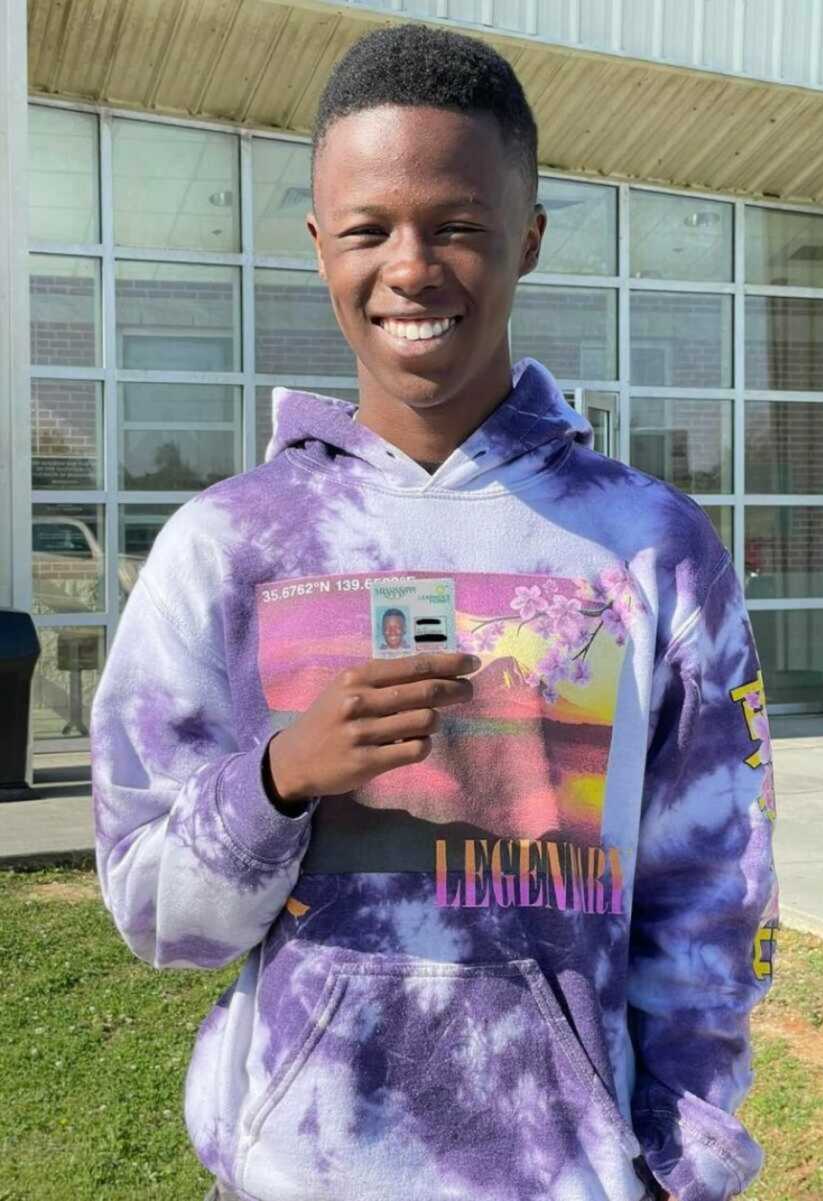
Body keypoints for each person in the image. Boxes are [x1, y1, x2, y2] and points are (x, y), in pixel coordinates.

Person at [90, 21, 778, 1201]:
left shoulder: (647, 546)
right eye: (368, 228)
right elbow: (160, 918)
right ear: (319, 247)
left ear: (529, 238)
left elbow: (715, 896)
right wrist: (278, 779)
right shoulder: (228, 545)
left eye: (456, 224)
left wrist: (681, 1168)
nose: (410, 266)